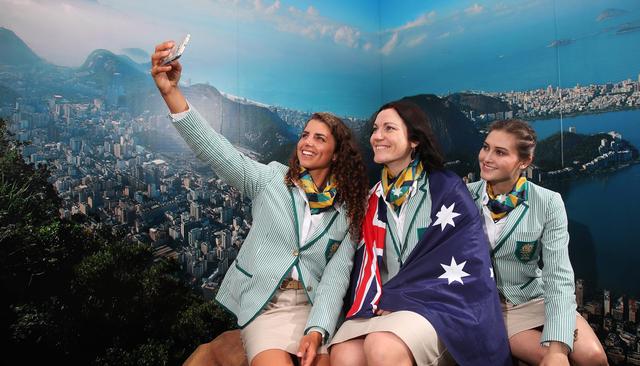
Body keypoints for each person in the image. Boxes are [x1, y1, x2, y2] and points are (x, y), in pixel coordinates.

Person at [151, 41, 368, 366]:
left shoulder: (346, 212)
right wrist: (170, 93)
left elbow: (335, 279)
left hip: (310, 310)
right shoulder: (272, 180)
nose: (307, 142)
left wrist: (317, 330)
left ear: (337, 154)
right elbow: (217, 152)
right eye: (305, 134)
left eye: (319, 138)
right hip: (266, 305)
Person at [330, 100, 511, 366]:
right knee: (345, 355)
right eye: (375, 129)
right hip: (382, 306)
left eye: (389, 128)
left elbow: (471, 265)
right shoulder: (373, 200)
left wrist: (403, 299)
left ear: (414, 140)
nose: (377, 136)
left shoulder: (446, 191)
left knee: (382, 346)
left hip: (440, 308)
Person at [466, 119, 608, 366]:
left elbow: (558, 275)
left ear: (524, 162)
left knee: (593, 357)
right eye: (485, 147)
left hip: (535, 298)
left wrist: (558, 349)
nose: (486, 157)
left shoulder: (548, 202)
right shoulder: (463, 196)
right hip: (491, 309)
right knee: (546, 359)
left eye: (500, 152)